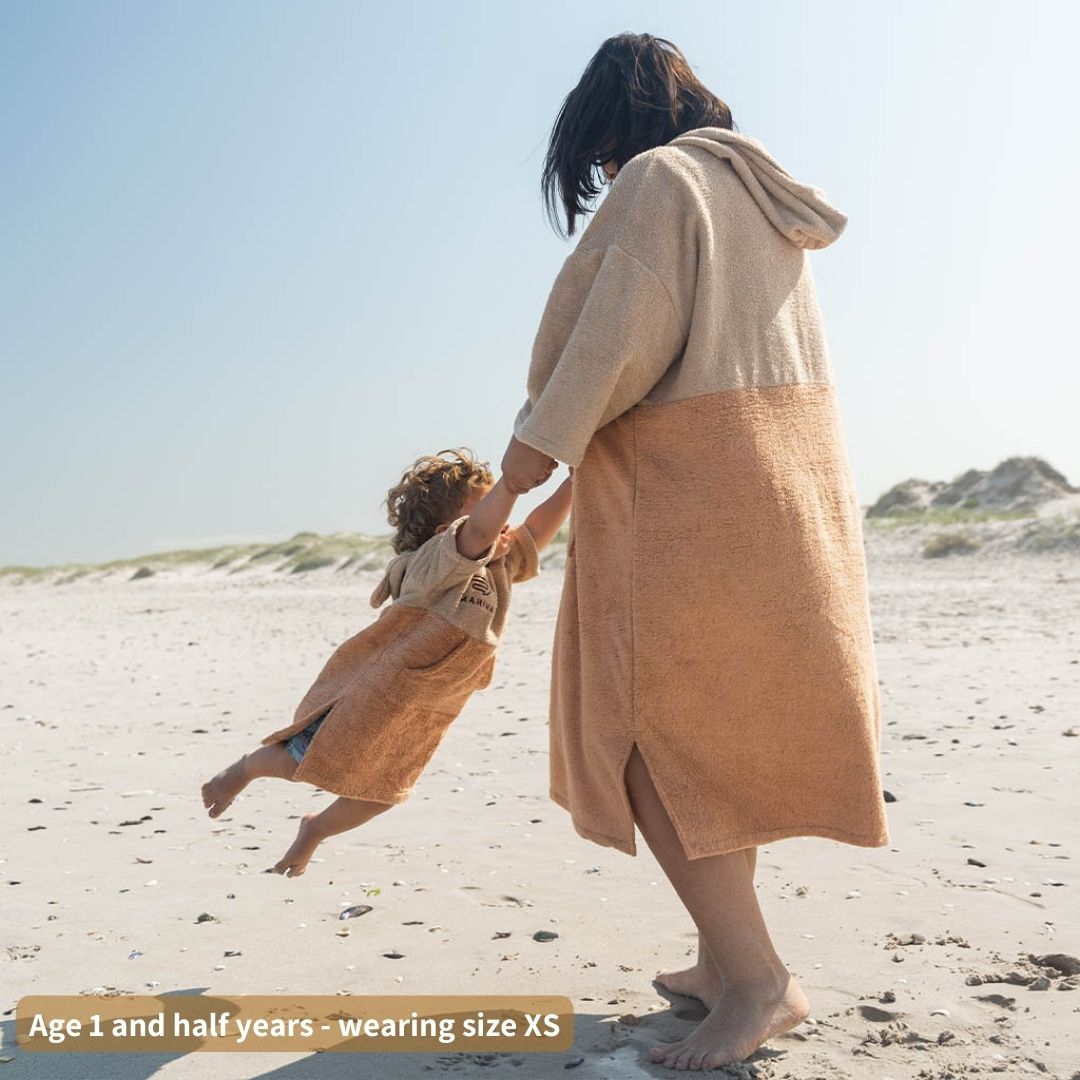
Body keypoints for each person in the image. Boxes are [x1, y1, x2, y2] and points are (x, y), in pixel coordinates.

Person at [500, 34, 890, 1072]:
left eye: (594, 162)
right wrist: (545, 517)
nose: (602, 182)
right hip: (780, 504)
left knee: (643, 749)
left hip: (685, 514)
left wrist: (509, 485)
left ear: (608, 130)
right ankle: (722, 964)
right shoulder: (762, 202)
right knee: (710, 741)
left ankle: (760, 982)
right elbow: (677, 364)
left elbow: (605, 359)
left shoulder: (660, 184)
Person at [201, 448, 571, 877]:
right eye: (489, 510)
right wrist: (512, 483)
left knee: (384, 793)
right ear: (442, 531)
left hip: (436, 702)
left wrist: (574, 482)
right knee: (304, 761)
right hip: (383, 692)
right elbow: (477, 534)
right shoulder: (429, 563)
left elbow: (538, 529)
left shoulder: (499, 563)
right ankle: (246, 768)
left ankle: (315, 830)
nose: (504, 522)